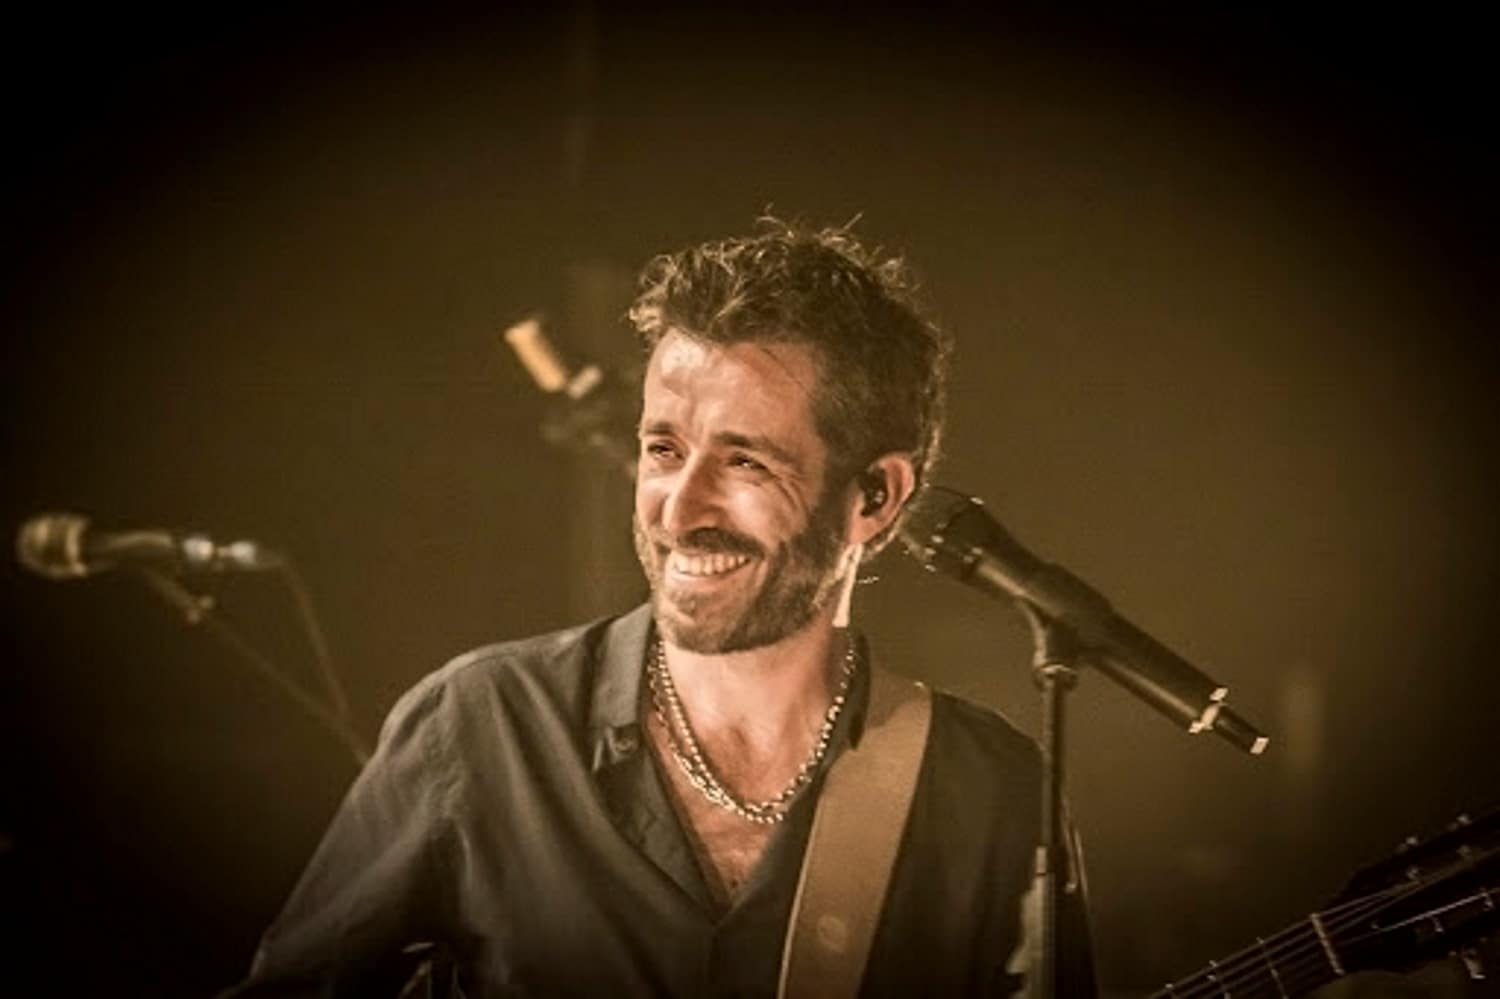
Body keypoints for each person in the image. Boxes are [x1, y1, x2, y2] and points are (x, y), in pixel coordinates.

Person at [225, 219, 1095, 997]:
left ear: (875, 496)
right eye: (664, 449)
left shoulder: (991, 792)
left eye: (745, 461)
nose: (679, 508)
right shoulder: (482, 727)